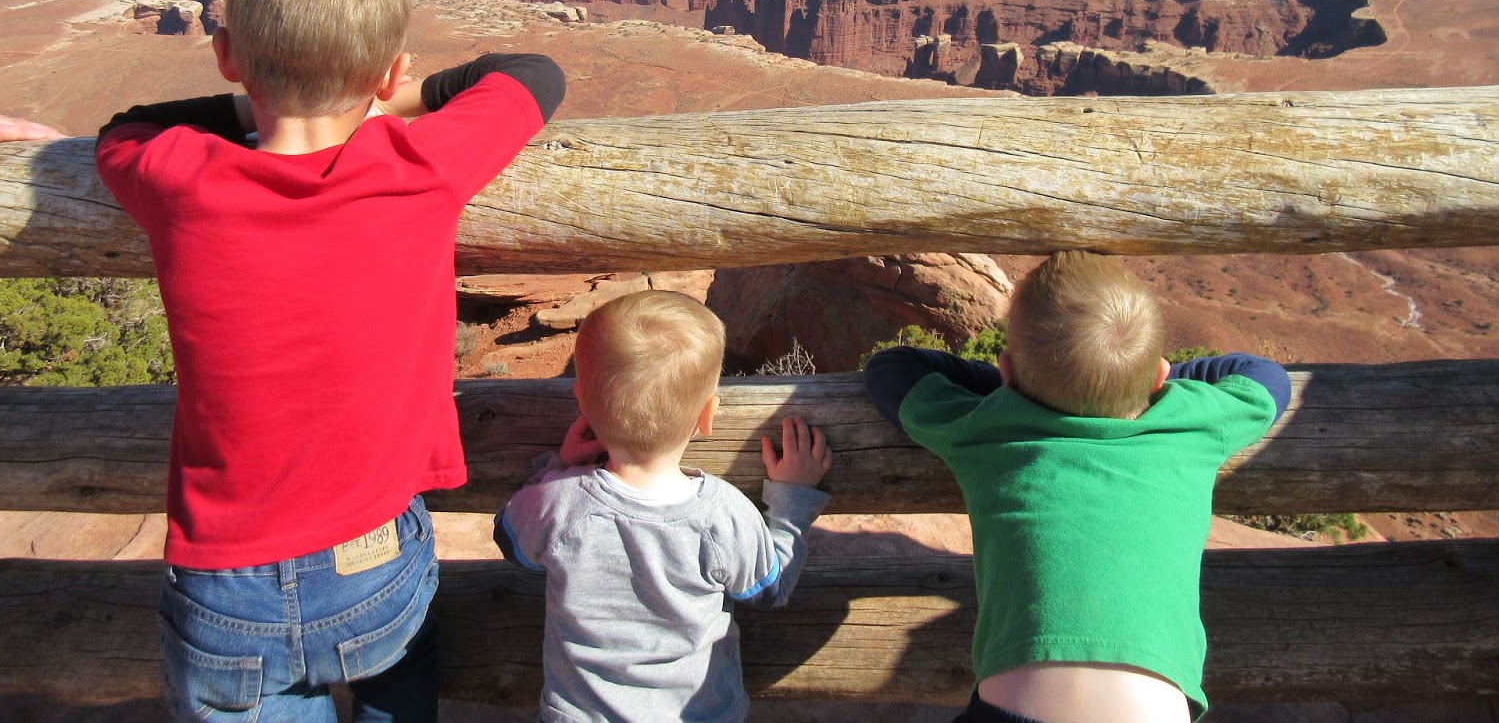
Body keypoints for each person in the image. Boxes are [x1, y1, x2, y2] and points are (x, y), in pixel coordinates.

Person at [92, 0, 565, 722]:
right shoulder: (418, 166)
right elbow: (533, 74)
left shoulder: (178, 179)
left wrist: (258, 95)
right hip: (373, 558)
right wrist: (387, 101)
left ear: (226, 56)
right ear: (390, 72)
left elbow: (127, 125)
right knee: (402, 682)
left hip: (225, 583)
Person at [863, 251, 1290, 723]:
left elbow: (891, 370)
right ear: (1160, 376)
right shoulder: (1193, 424)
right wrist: (1141, 383)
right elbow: (1266, 376)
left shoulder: (985, 426)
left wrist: (1019, 390)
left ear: (1007, 371)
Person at [496, 289, 832, 723]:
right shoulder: (721, 515)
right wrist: (792, 500)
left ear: (581, 401)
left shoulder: (559, 504)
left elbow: (511, 540)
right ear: (708, 415)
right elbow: (770, 587)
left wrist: (558, 467)